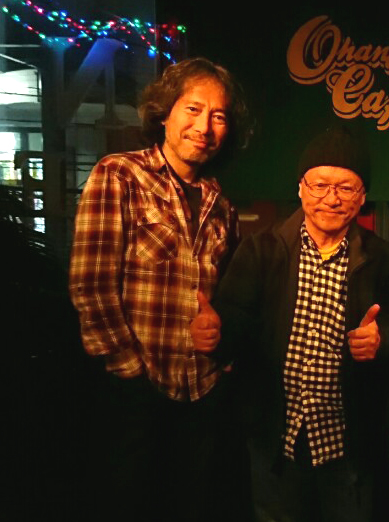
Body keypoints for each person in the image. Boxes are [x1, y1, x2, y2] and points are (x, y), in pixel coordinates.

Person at [69, 57, 250, 521]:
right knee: (128, 505)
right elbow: (91, 284)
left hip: (202, 391)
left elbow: (225, 294)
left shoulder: (221, 202)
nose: (204, 127)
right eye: (193, 109)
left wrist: (222, 340)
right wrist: (129, 371)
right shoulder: (120, 175)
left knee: (192, 506)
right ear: (164, 113)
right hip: (136, 391)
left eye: (218, 116)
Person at [210, 126, 389, 522]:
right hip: (276, 437)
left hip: (347, 442)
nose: (331, 198)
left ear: (362, 197)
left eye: (345, 188)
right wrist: (215, 334)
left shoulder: (383, 259)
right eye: (320, 185)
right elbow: (234, 325)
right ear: (300, 188)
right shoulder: (262, 250)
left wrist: (381, 339)